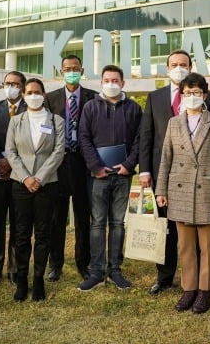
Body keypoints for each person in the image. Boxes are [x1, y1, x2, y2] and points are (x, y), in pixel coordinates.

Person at [139, 49, 210, 295]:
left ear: (190, 66)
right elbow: (147, 135)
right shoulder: (155, 97)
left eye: (183, 64)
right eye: (174, 64)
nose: (178, 67)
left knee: (193, 228)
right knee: (165, 228)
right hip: (165, 173)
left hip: (196, 177)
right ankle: (164, 277)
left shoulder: (209, 96)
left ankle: (195, 281)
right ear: (167, 68)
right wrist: (144, 171)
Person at [155, 73, 210, 314]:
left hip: (207, 189)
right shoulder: (174, 123)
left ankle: (205, 290)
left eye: (196, 92)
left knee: (207, 245)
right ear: (181, 95)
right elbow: (166, 158)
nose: (192, 97)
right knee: (185, 244)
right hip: (179, 189)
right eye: (187, 93)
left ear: (205, 94)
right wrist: (161, 190)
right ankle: (189, 288)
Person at [77, 65, 142, 291]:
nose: (111, 83)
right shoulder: (90, 107)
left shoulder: (133, 108)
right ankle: (96, 271)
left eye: (115, 80)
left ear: (123, 83)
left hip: (123, 175)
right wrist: (95, 166)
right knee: (97, 224)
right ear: (101, 83)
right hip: (98, 176)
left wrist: (128, 164)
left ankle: (115, 270)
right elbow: (83, 137)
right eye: (107, 80)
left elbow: (139, 139)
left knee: (117, 223)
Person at [5, 78, 65, 301]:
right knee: (21, 234)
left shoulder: (55, 120)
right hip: (21, 184)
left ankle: (38, 279)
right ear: (23, 94)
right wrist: (26, 178)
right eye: (29, 92)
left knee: (43, 234)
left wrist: (39, 178)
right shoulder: (16, 121)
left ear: (44, 94)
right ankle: (21, 280)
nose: (33, 95)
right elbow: (10, 152)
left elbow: (58, 152)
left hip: (47, 184)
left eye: (37, 92)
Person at [45, 55, 97, 282]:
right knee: (56, 218)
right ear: (61, 72)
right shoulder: (50, 99)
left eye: (75, 68)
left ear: (82, 70)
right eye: (67, 69)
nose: (71, 72)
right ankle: (55, 264)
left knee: (83, 217)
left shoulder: (93, 98)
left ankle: (83, 263)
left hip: (83, 164)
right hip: (58, 163)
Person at [0, 70, 27, 287]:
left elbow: (32, 141)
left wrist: (12, 161)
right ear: (3, 85)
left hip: (20, 174)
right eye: (8, 83)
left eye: (16, 84)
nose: (11, 87)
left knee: (19, 223)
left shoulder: (32, 109)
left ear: (23, 87)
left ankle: (15, 270)